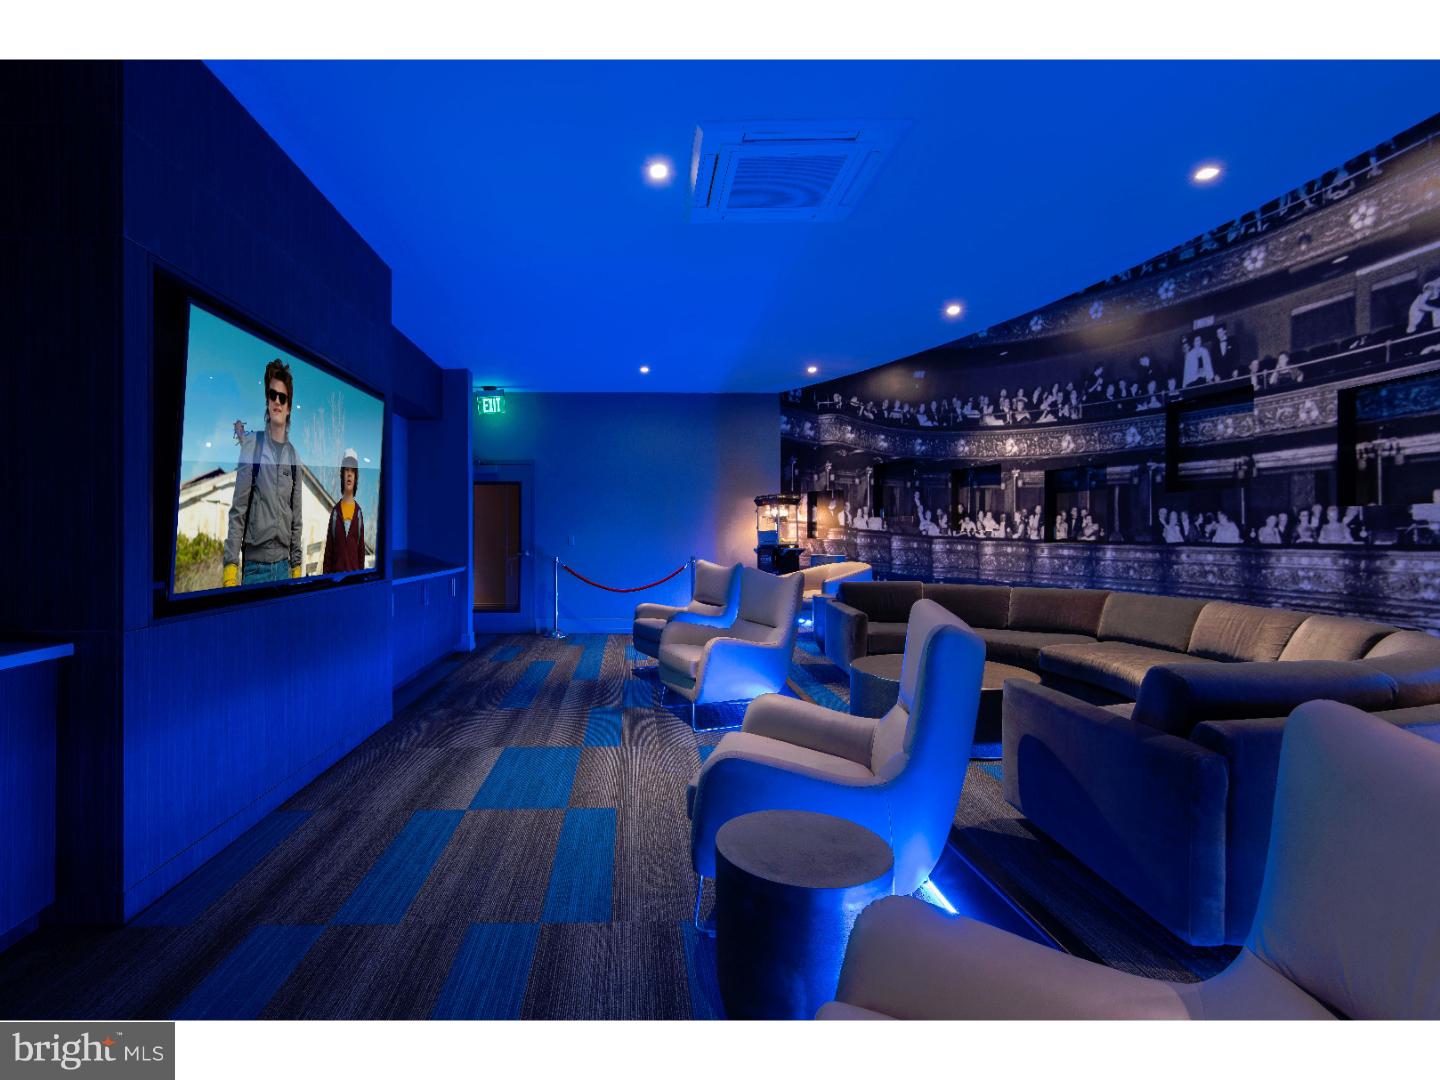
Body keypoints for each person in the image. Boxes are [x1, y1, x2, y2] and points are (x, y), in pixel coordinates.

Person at [223, 358, 304, 586]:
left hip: (284, 568)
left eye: (283, 397)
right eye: (272, 395)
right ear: (267, 401)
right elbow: (238, 511)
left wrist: (296, 567)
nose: (277, 401)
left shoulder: (294, 458)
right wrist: (230, 567)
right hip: (254, 570)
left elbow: (296, 518)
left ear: (288, 407)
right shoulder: (252, 447)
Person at [323, 449, 368, 573]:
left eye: (353, 471)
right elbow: (328, 554)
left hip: (353, 583)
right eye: (346, 470)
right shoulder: (335, 513)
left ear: (356, 476)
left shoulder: (358, 514)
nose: (349, 474)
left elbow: (361, 554)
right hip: (335, 582)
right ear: (342, 474)